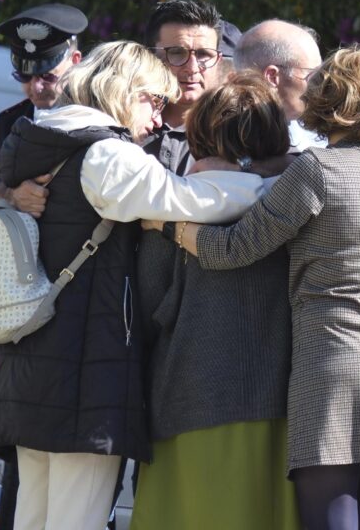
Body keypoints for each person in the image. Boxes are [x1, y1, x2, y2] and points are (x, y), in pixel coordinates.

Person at [0, 40, 267, 530]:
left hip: (32, 355)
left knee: (33, 515)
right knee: (77, 519)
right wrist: (279, 185)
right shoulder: (105, 154)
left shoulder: (41, 136)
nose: (157, 120)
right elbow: (191, 200)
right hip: (84, 365)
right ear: (122, 90)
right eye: (153, 102)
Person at [150, 46, 360, 530]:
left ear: (335, 101)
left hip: (334, 366)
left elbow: (233, 249)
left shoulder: (317, 171)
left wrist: (166, 227)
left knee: (332, 519)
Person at [131, 72, 299, 530]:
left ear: (201, 135)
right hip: (281, 400)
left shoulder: (171, 208)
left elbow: (148, 302)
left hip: (189, 391)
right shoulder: (300, 201)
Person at [0, 3, 87, 217]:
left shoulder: (98, 118)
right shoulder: (8, 122)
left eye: (48, 76)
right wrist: (11, 196)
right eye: (24, 76)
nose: (35, 88)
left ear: (75, 61)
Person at [143, 0, 226, 175]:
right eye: (177, 53)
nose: (192, 68)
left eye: (204, 55)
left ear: (218, 61)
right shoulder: (121, 125)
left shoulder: (239, 131)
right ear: (151, 57)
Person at [233, 19, 324, 152]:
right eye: (312, 75)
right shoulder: (221, 142)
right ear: (272, 77)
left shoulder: (316, 136)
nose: (320, 84)